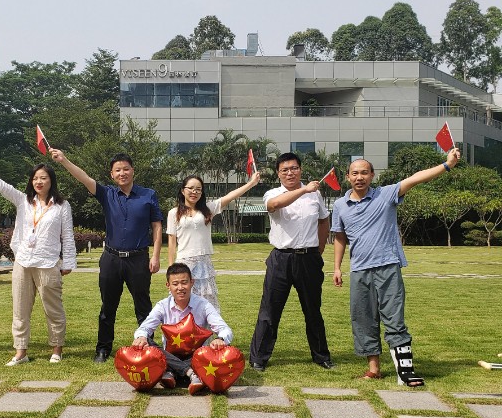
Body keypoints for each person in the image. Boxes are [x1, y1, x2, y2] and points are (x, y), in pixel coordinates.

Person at [332, 147, 461, 385]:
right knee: (363, 319)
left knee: (394, 317)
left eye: (364, 173)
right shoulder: (340, 205)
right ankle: (374, 369)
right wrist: (337, 267)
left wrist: (447, 165)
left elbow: (415, 178)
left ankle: (406, 371)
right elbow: (340, 237)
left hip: (387, 266)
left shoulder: (386, 194)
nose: (359, 177)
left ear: (372, 175)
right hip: (359, 270)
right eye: (354, 173)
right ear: (348, 177)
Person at [50, 149, 163, 363]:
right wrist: (64, 160)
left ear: (133, 171)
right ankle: (103, 348)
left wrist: (156, 256)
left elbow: (156, 226)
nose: (122, 173)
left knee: (143, 306)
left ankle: (147, 344)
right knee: (108, 307)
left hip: (138, 259)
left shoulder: (148, 195)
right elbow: (84, 178)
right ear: (112, 174)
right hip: (111, 259)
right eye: (117, 170)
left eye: (126, 169)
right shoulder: (107, 194)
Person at [0, 160, 76, 365]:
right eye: (35, 178)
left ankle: (57, 349)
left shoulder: (62, 205)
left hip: (48, 262)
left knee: (53, 309)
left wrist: (68, 262)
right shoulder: (23, 200)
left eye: (43, 178)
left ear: (51, 180)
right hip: (23, 262)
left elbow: (67, 235)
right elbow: (1, 185)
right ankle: (21, 351)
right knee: (20, 310)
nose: (39, 182)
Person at [249, 153, 333, 371]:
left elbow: (324, 220)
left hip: (309, 259)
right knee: (270, 310)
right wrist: (304, 190)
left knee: (313, 310)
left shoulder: (315, 195)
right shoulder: (273, 193)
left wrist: (319, 248)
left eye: (294, 168)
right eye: (284, 170)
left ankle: (321, 356)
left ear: (300, 170)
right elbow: (274, 205)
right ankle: (259, 357)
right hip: (281, 258)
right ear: (278, 174)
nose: (290, 173)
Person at [132, 262, 233, 394]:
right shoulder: (162, 305)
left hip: (196, 356)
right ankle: (191, 373)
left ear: (192, 282)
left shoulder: (203, 305)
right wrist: (141, 337)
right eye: (175, 284)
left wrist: (220, 339)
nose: (180, 288)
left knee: (213, 349)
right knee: (148, 343)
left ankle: (171, 371)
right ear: (168, 286)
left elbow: (225, 330)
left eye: (184, 282)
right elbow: (144, 328)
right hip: (170, 355)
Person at [167, 172, 260, 309]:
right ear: (183, 190)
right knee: (183, 301)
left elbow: (231, 196)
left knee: (206, 302)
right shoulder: (173, 213)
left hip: (204, 262)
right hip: (183, 262)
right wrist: (171, 268)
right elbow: (171, 241)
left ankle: (206, 324)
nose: (194, 192)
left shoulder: (208, 209)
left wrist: (251, 183)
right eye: (191, 188)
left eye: (198, 189)